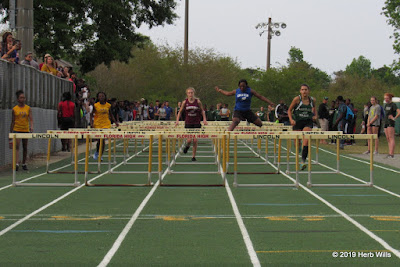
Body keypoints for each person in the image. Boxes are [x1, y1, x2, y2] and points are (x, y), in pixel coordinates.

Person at [288, 84, 317, 170]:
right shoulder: (297, 99)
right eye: (302, 90)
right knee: (297, 143)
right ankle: (299, 146)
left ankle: (303, 161)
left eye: (306, 90)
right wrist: (291, 120)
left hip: (308, 122)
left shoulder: (312, 100)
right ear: (300, 91)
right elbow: (289, 110)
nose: (304, 91)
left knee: (306, 140)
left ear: (308, 91)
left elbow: (315, 109)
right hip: (297, 122)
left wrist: (315, 116)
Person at [176, 87, 208, 161]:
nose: (190, 94)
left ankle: (193, 156)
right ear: (187, 94)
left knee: (195, 140)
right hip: (188, 122)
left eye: (191, 93)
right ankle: (187, 146)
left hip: (196, 122)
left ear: (194, 93)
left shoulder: (198, 101)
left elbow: (202, 111)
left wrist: (204, 119)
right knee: (189, 140)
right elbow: (180, 111)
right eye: (189, 93)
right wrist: (177, 120)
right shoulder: (185, 102)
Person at [9, 90, 33, 171]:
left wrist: (31, 127)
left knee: (25, 147)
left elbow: (31, 119)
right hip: (17, 129)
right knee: (17, 146)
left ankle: (24, 163)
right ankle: (16, 163)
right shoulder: (14, 109)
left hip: (25, 129)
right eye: (21, 98)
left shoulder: (28, 108)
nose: (23, 99)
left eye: (24, 98)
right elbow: (12, 121)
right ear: (18, 99)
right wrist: (10, 132)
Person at [90, 92, 118, 160]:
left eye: (102, 96)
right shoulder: (96, 105)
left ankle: (101, 154)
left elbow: (111, 114)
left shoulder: (108, 105)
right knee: (99, 140)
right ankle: (97, 151)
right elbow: (91, 114)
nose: (101, 97)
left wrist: (115, 122)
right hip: (98, 124)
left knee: (103, 140)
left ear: (105, 97)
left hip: (106, 124)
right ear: (98, 97)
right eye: (100, 96)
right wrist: (91, 123)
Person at [383, 93, 400, 159]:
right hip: (386, 121)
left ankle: (391, 153)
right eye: (385, 98)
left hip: (391, 122)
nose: (386, 99)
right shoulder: (386, 105)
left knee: (391, 137)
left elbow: (399, 112)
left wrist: (394, 118)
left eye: (387, 98)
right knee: (387, 138)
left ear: (390, 98)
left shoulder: (393, 105)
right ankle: (389, 153)